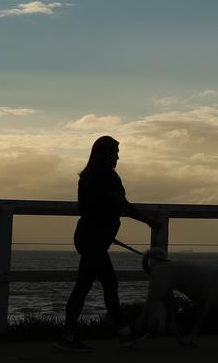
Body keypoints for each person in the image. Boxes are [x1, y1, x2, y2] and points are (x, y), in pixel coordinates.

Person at [57, 135, 160, 351]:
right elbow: (123, 206)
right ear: (105, 154)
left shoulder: (86, 177)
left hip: (87, 236)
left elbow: (90, 209)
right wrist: (149, 220)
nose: (118, 157)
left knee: (99, 285)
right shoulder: (109, 177)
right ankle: (117, 333)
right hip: (96, 240)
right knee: (95, 286)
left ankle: (118, 332)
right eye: (115, 152)